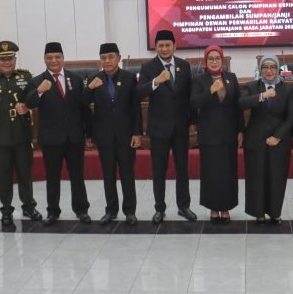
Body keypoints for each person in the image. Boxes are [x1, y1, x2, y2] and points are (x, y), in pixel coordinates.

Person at [0, 41, 42, 227]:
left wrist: (26, 107)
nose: (7, 62)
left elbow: (35, 101)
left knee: (25, 174)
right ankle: (6, 210)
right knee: (3, 176)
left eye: (10, 58)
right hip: (1, 138)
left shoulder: (25, 77)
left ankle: (29, 206)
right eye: (3, 59)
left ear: (15, 59)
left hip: (22, 135)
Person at [25, 42, 93, 225]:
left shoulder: (75, 79)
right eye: (49, 57)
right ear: (44, 60)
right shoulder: (37, 81)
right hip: (51, 138)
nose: (53, 60)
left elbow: (84, 108)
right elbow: (29, 103)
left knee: (77, 176)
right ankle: (53, 211)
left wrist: (88, 134)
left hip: (74, 137)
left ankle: (81, 209)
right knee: (52, 177)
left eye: (57, 57)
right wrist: (39, 91)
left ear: (63, 58)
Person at [136, 29, 196, 224]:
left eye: (167, 45)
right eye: (160, 45)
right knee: (159, 170)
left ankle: (184, 206)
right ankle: (159, 208)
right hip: (159, 128)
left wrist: (192, 121)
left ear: (174, 46)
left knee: (182, 169)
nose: (164, 48)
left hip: (180, 127)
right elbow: (138, 92)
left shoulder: (184, 66)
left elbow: (190, 96)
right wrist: (156, 81)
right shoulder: (148, 67)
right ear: (156, 47)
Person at [82, 43, 142, 226]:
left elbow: (136, 107)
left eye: (111, 57)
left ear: (119, 58)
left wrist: (137, 133)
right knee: (108, 176)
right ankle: (111, 210)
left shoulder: (129, 78)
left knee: (127, 176)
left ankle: (130, 211)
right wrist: (89, 88)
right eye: (103, 58)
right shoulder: (94, 79)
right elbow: (82, 104)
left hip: (126, 136)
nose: (107, 61)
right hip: (104, 136)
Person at [238, 55, 293, 225]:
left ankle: (275, 213)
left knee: (277, 178)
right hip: (255, 141)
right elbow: (241, 103)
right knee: (256, 178)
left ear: (278, 69)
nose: (269, 71)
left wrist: (278, 136)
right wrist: (262, 96)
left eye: (272, 67)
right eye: (265, 67)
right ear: (260, 69)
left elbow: (292, 116)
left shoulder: (288, 89)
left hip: (279, 142)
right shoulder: (252, 86)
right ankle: (259, 213)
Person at [190, 45, 243, 223]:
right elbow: (194, 102)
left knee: (228, 173)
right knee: (211, 173)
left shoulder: (231, 78)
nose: (214, 61)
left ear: (222, 60)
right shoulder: (199, 80)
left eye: (217, 58)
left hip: (229, 134)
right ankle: (213, 208)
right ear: (206, 61)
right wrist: (210, 90)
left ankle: (226, 207)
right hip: (209, 135)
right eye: (210, 58)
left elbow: (238, 106)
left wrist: (240, 130)